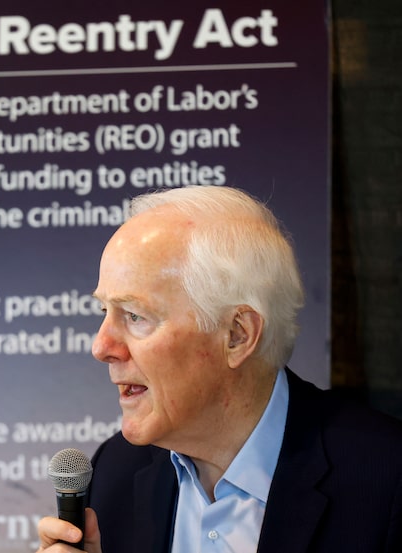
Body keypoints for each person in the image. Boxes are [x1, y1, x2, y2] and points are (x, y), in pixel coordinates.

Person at [37, 185, 402, 553]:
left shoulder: (385, 480)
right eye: (105, 312)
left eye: (135, 315)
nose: (101, 348)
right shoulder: (116, 472)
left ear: (237, 336)